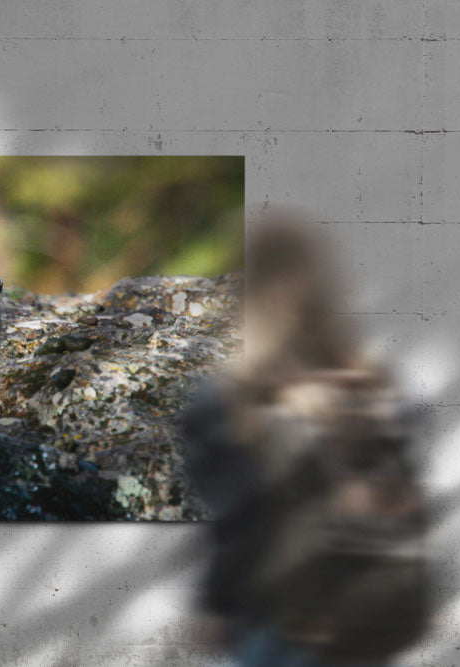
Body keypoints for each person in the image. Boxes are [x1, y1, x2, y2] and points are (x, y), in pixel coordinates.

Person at [182, 214, 430, 666]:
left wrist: (214, 605)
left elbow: (236, 525)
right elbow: (409, 499)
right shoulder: (374, 387)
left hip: (276, 623)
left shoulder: (231, 402)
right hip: (364, 614)